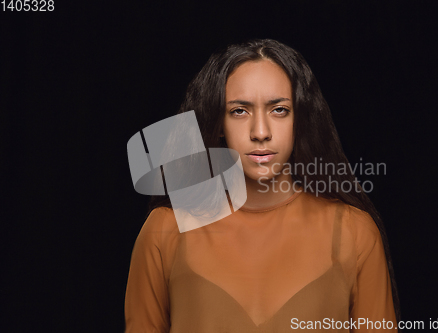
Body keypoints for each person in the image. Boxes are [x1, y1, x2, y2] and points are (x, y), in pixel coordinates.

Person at [124, 38, 400, 332]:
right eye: (239, 111)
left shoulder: (354, 232)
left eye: (279, 110)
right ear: (218, 125)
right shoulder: (165, 230)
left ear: (301, 119)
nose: (260, 132)